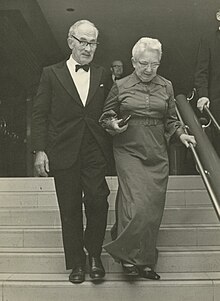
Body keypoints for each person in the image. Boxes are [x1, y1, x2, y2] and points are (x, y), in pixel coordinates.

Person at [99, 37, 196, 280]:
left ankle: (144, 261)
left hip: (156, 151)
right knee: (137, 205)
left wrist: (182, 135)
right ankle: (128, 257)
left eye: (154, 64)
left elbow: (172, 120)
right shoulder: (120, 86)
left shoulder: (167, 86)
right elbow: (105, 115)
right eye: (143, 63)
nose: (148, 69)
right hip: (128, 148)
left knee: (151, 210)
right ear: (133, 61)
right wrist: (113, 123)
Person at [32, 20, 112, 284]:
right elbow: (40, 114)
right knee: (69, 209)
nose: (89, 49)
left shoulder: (103, 75)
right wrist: (40, 150)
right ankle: (77, 262)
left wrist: (113, 122)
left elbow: (109, 111)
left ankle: (94, 255)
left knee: (98, 202)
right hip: (62, 151)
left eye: (93, 43)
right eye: (84, 42)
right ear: (71, 42)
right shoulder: (50, 73)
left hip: (94, 150)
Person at [194, 8, 220, 157]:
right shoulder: (208, 40)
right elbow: (201, 72)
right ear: (218, 16)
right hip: (218, 104)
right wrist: (203, 95)